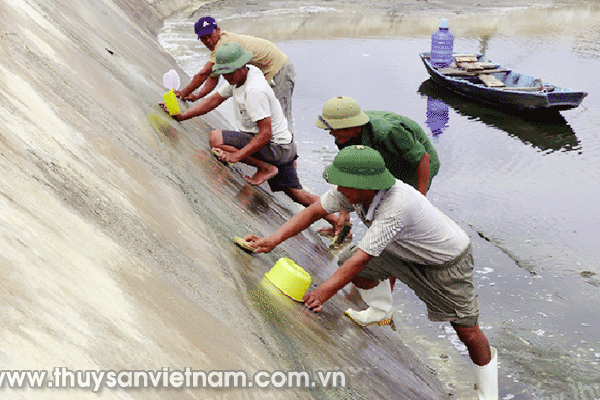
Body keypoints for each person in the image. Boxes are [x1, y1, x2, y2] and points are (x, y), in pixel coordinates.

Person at [245, 145, 498, 400]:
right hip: (401, 248)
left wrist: (320, 294)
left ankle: (488, 393)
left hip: (444, 261)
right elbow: (314, 212)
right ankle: (381, 310)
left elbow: (362, 259)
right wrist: (271, 241)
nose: (339, 190)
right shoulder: (351, 190)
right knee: (346, 260)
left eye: (344, 184)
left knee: (466, 330)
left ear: (366, 185)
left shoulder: (397, 204)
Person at [167, 41, 340, 228]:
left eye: (230, 72)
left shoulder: (254, 90)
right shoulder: (244, 75)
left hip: (275, 146)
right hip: (285, 145)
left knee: (216, 138)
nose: (226, 76)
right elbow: (214, 100)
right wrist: (183, 116)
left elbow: (265, 134)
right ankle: (337, 222)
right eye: (223, 72)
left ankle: (266, 168)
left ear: (242, 66)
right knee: (296, 193)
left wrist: (236, 156)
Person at [314, 96, 441, 325]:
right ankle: (372, 279)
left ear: (353, 126)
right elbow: (348, 172)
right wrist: (344, 214)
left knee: (393, 233)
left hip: (413, 169)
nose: (333, 135)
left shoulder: (388, 132)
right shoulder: (344, 135)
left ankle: (386, 297)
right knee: (373, 215)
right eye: (331, 131)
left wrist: (419, 200)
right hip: (381, 165)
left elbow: (423, 159)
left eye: (336, 131)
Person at [177, 16, 296, 134]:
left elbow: (203, 74)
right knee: (263, 113)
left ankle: (287, 149)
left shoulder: (223, 45)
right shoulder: (223, 54)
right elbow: (213, 78)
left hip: (278, 67)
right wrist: (198, 95)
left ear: (218, 30)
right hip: (264, 70)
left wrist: (183, 93)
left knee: (281, 117)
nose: (208, 40)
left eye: (210, 35)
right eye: (203, 38)